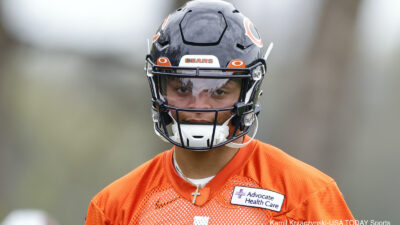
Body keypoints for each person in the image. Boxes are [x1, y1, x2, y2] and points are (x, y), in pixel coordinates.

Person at [84, 0, 355, 224]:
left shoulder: (306, 196)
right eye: (182, 88)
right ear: (160, 88)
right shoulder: (115, 208)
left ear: (248, 90)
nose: (198, 105)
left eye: (218, 91)